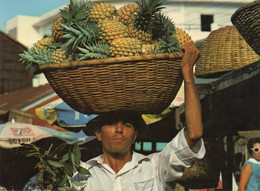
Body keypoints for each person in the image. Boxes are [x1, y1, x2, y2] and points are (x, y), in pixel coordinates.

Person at [69, 42, 206, 191]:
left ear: (134, 136)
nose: (119, 129)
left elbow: (194, 134)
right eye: (111, 123)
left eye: (127, 124)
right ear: (98, 133)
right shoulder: (82, 176)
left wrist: (187, 73)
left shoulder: (155, 168)